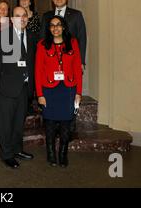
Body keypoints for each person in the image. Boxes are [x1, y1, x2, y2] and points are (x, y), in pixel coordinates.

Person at [0, 6, 37, 168]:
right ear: (11, 19)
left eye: (24, 15)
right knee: (5, 124)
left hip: (25, 88)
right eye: (17, 16)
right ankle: (7, 154)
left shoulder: (31, 36)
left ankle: (17, 149)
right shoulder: (3, 35)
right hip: (6, 88)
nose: (22, 18)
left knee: (18, 122)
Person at [35, 16, 82, 168]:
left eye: (58, 25)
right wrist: (40, 94)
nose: (55, 28)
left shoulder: (73, 43)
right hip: (49, 90)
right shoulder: (42, 45)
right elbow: (38, 71)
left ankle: (63, 153)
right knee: (49, 123)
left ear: (64, 27)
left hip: (68, 89)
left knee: (65, 123)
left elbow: (77, 69)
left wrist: (78, 92)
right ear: (49, 29)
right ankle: (50, 153)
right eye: (52, 26)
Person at [41, 0, 87, 68]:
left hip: (71, 58)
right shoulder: (46, 16)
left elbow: (82, 38)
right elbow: (42, 38)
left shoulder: (76, 15)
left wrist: (81, 60)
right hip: (51, 58)